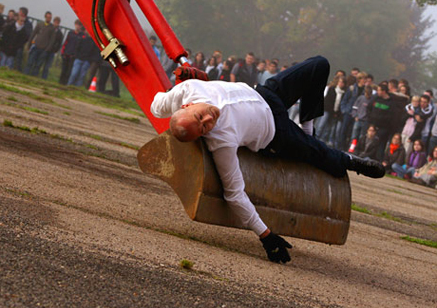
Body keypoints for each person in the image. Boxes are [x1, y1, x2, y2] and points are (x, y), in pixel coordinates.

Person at [151, 56, 385, 264]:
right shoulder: (221, 141)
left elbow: (156, 106)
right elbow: (234, 193)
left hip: (265, 94)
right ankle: (352, 162)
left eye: (199, 116)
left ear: (188, 105)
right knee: (319, 154)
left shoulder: (188, 89)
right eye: (203, 128)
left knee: (319, 65)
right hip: (275, 131)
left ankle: (308, 129)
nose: (208, 120)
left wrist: (176, 85)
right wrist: (265, 235)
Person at [316, 75, 346, 147]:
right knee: (321, 124)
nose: (341, 84)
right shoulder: (332, 89)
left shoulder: (343, 93)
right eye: (340, 82)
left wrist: (336, 112)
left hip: (334, 113)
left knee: (329, 128)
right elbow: (328, 101)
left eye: (342, 83)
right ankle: (316, 137)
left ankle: (323, 140)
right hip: (327, 110)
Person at [367, 83, 394, 160]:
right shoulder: (375, 99)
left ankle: (378, 159)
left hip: (383, 127)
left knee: (380, 144)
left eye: (379, 90)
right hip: (372, 124)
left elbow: (390, 116)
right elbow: (369, 108)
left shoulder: (390, 103)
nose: (377, 92)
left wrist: (380, 119)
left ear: (384, 91)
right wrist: (371, 118)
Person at [24, 11, 53, 76]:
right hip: (36, 46)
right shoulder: (40, 24)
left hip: (44, 49)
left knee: (38, 65)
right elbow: (33, 34)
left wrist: (47, 49)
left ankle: (33, 76)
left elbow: (52, 40)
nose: (49, 19)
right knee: (30, 62)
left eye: (50, 18)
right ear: (45, 17)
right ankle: (25, 75)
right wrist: (29, 44)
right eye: (48, 17)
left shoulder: (52, 28)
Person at [59, 19, 83, 85]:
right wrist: (63, 52)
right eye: (77, 25)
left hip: (73, 56)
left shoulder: (81, 36)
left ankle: (66, 83)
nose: (78, 26)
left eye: (79, 25)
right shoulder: (70, 33)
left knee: (69, 71)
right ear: (75, 25)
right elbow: (66, 43)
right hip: (66, 54)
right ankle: (61, 82)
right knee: (64, 69)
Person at [14, 7, 32, 72]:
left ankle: (17, 70)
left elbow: (28, 34)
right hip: (13, 41)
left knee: (18, 58)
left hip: (20, 43)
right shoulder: (16, 20)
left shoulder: (27, 23)